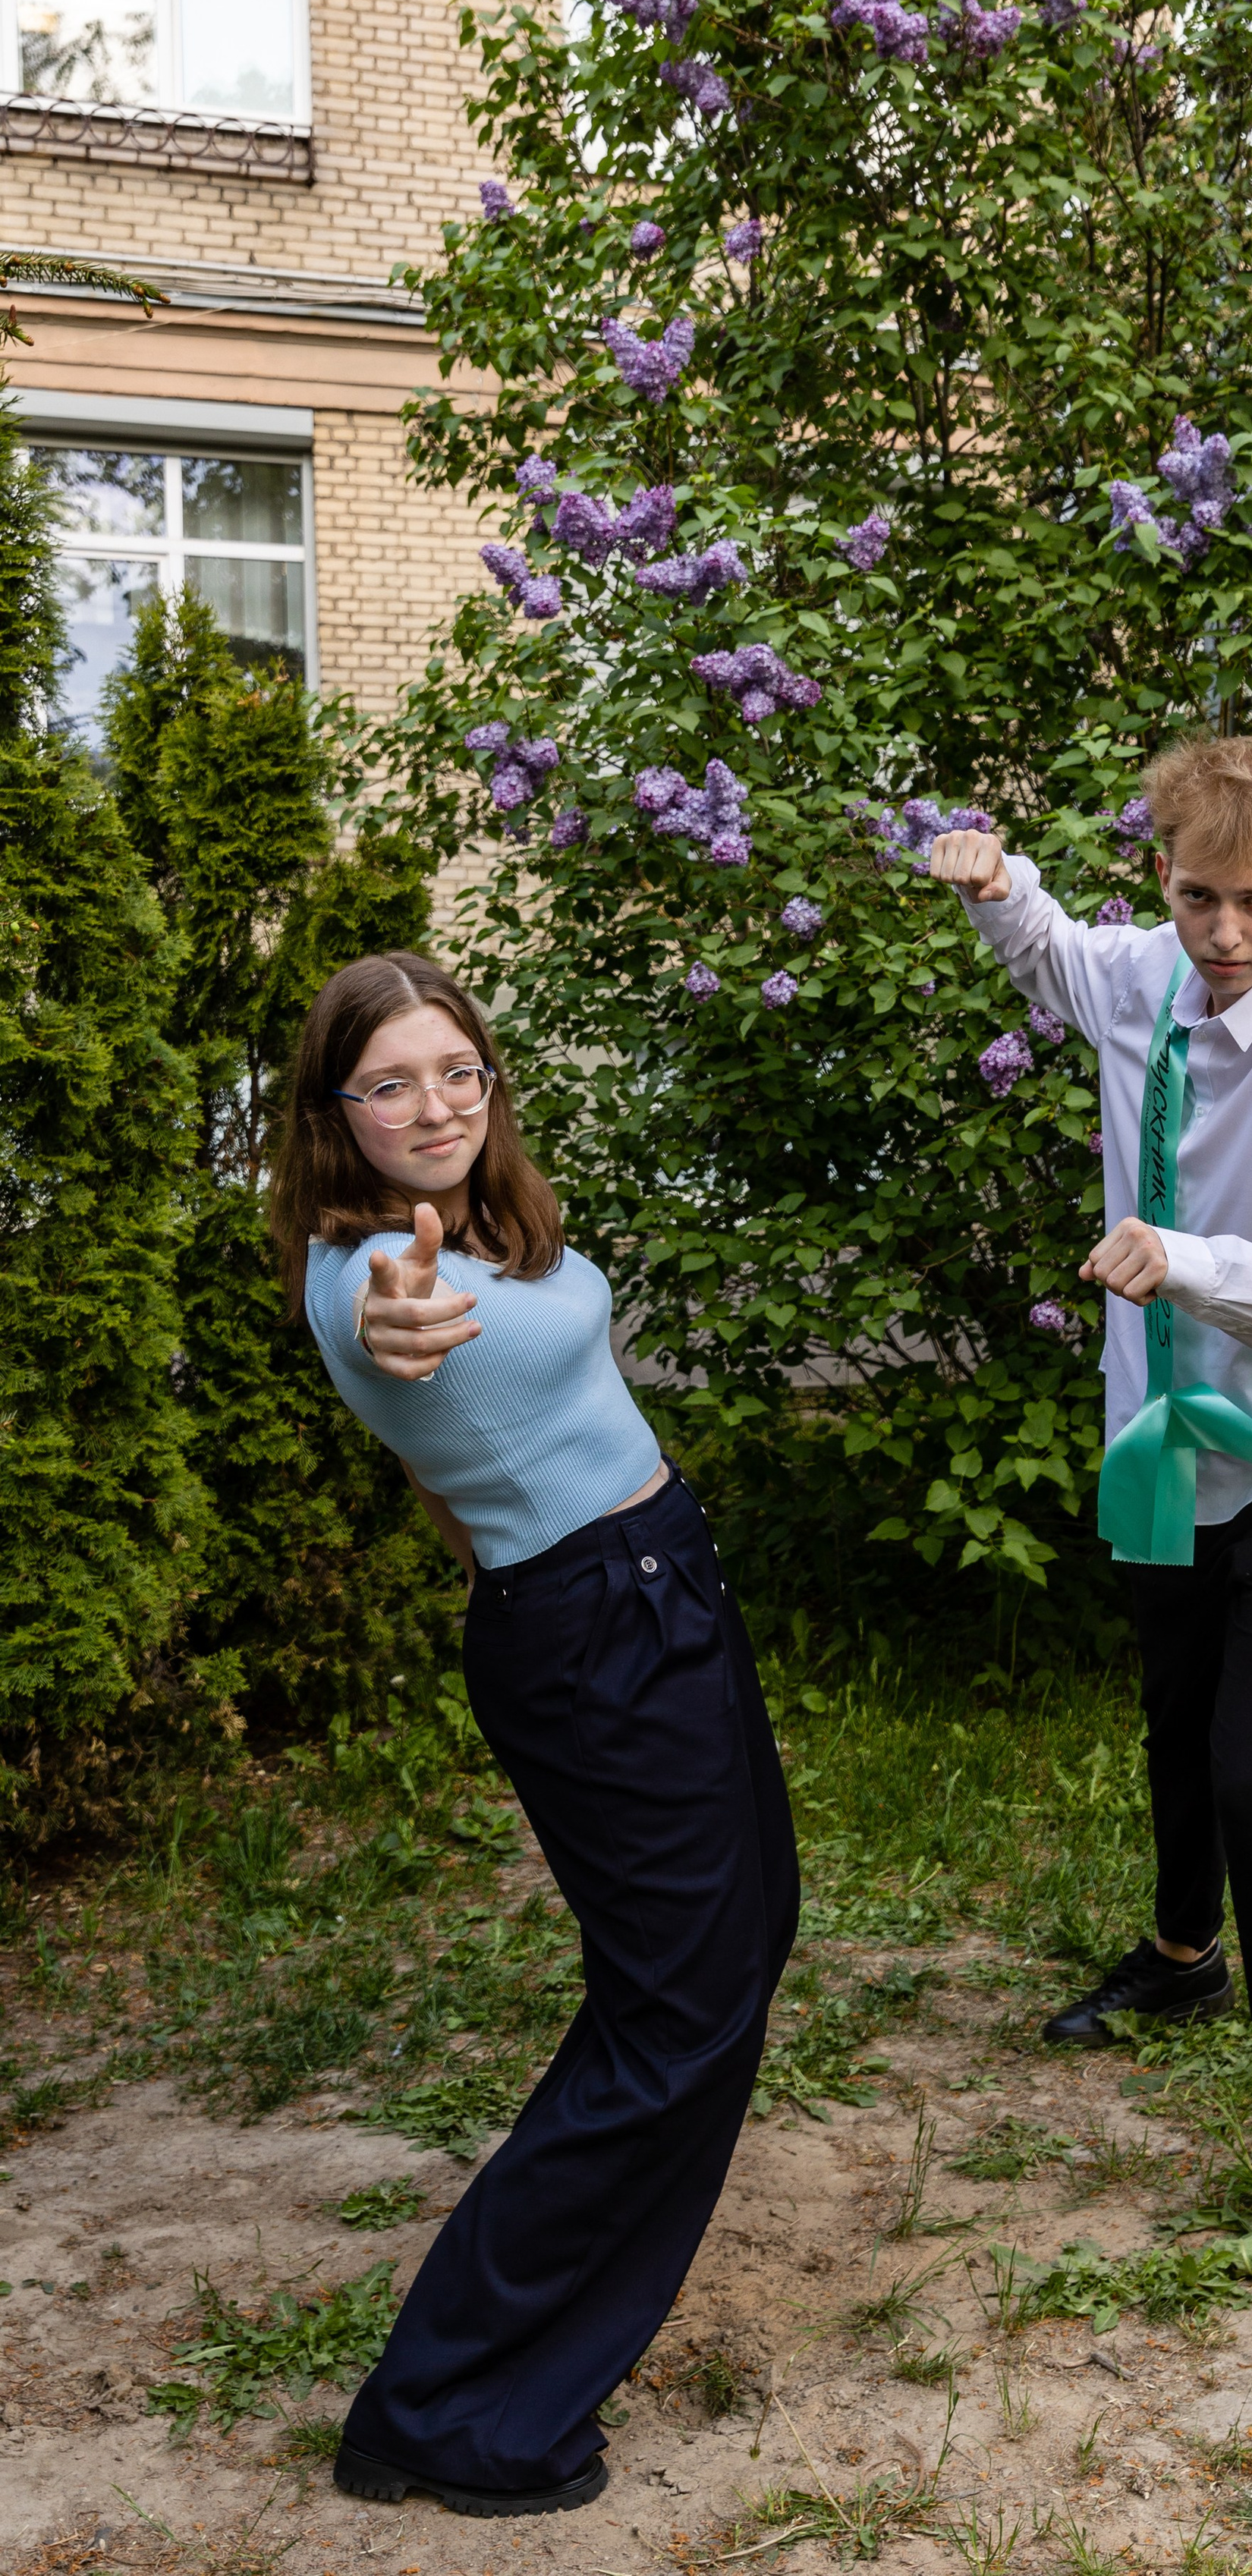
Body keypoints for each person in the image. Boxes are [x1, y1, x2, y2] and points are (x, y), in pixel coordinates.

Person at [266, 950, 797, 2517]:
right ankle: (443, 2405)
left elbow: (458, 1444)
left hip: (657, 1588)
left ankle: (517, 2359)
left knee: (740, 1946)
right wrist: (399, 1326)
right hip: (596, 1631)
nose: (434, 1107)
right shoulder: (372, 1268)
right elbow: (395, 1331)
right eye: (389, 1085)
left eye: (457, 1072)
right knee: (676, 2014)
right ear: (334, 1112)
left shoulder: (488, 1221)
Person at [930, 734, 1252, 2307]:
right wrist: (997, 886)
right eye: (1199, 898)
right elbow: (1060, 961)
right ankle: (1180, 1957)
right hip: (1165, 1444)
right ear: (1165, 880)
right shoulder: (1148, 973)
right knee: (1174, 1717)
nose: (1224, 932)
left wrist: (1187, 1259)